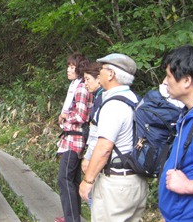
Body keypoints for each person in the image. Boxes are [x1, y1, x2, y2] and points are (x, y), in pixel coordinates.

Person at [79, 53, 148, 222]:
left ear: (111, 74)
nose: (100, 72)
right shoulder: (136, 100)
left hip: (116, 186)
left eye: (102, 69)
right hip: (136, 182)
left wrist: (88, 180)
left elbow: (104, 147)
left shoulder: (113, 106)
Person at [158, 45, 193, 222]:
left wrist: (188, 186)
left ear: (187, 81)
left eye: (168, 76)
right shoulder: (188, 116)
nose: (165, 82)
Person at [55, 52, 93, 222]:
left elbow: (82, 116)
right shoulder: (75, 86)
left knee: (64, 179)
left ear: (79, 68)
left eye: (72, 67)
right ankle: (72, 216)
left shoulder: (82, 87)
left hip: (75, 140)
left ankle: (72, 219)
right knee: (72, 179)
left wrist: (65, 117)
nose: (68, 70)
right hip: (71, 138)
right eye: (68, 66)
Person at [80, 62, 104, 208]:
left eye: (88, 79)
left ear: (99, 79)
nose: (85, 83)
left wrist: (88, 158)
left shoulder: (102, 99)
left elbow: (97, 134)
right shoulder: (99, 97)